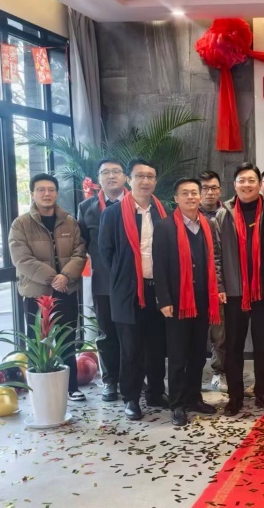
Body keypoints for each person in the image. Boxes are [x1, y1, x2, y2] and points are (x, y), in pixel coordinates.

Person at [99, 158, 169, 421]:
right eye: (140, 176)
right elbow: (106, 253)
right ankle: (131, 397)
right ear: (129, 180)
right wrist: (127, 276)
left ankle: (155, 393)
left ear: (155, 181)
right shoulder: (113, 214)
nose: (145, 181)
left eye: (150, 176)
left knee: (157, 345)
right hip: (128, 292)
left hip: (158, 290)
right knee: (130, 348)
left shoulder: (163, 212)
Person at [9, 173, 87, 401]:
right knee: (37, 343)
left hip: (66, 291)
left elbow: (80, 253)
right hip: (37, 293)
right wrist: (55, 278)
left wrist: (66, 276)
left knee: (67, 339)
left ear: (57, 193)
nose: (46, 194)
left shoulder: (69, 222)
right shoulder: (21, 224)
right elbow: (22, 259)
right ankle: (40, 391)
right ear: (32, 193)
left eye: (51, 189)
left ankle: (71, 387)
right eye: (41, 190)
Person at [213, 163, 264, 416]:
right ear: (234, 185)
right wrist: (220, 285)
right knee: (233, 345)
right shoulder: (224, 214)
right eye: (242, 180)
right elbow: (216, 254)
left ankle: (263, 392)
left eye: (252, 180)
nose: (247, 184)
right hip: (234, 291)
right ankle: (235, 396)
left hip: (263, 290)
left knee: (263, 344)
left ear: (259, 184)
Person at [153, 178, 220, 426]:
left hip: (202, 299)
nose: (191, 197)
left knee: (198, 354)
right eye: (185, 193)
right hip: (177, 301)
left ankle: (194, 397)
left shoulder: (206, 225)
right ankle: (178, 404)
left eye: (194, 193)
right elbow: (159, 266)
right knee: (178, 356)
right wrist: (164, 299)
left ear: (200, 197)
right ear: (176, 199)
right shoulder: (165, 227)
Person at [78, 159, 128, 402]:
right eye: (105, 172)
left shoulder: (138, 203)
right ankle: (110, 381)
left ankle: (133, 378)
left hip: (134, 282)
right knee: (107, 334)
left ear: (125, 177)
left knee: (133, 334)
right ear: (98, 179)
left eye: (116, 171)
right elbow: (81, 244)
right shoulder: (86, 207)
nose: (111, 176)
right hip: (103, 283)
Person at [197, 170, 227, 393]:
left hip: (222, 284)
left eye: (214, 188)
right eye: (205, 188)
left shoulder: (228, 214)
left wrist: (220, 284)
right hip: (194, 284)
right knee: (196, 332)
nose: (209, 192)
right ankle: (194, 374)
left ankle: (219, 372)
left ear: (220, 190)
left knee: (220, 333)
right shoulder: (186, 214)